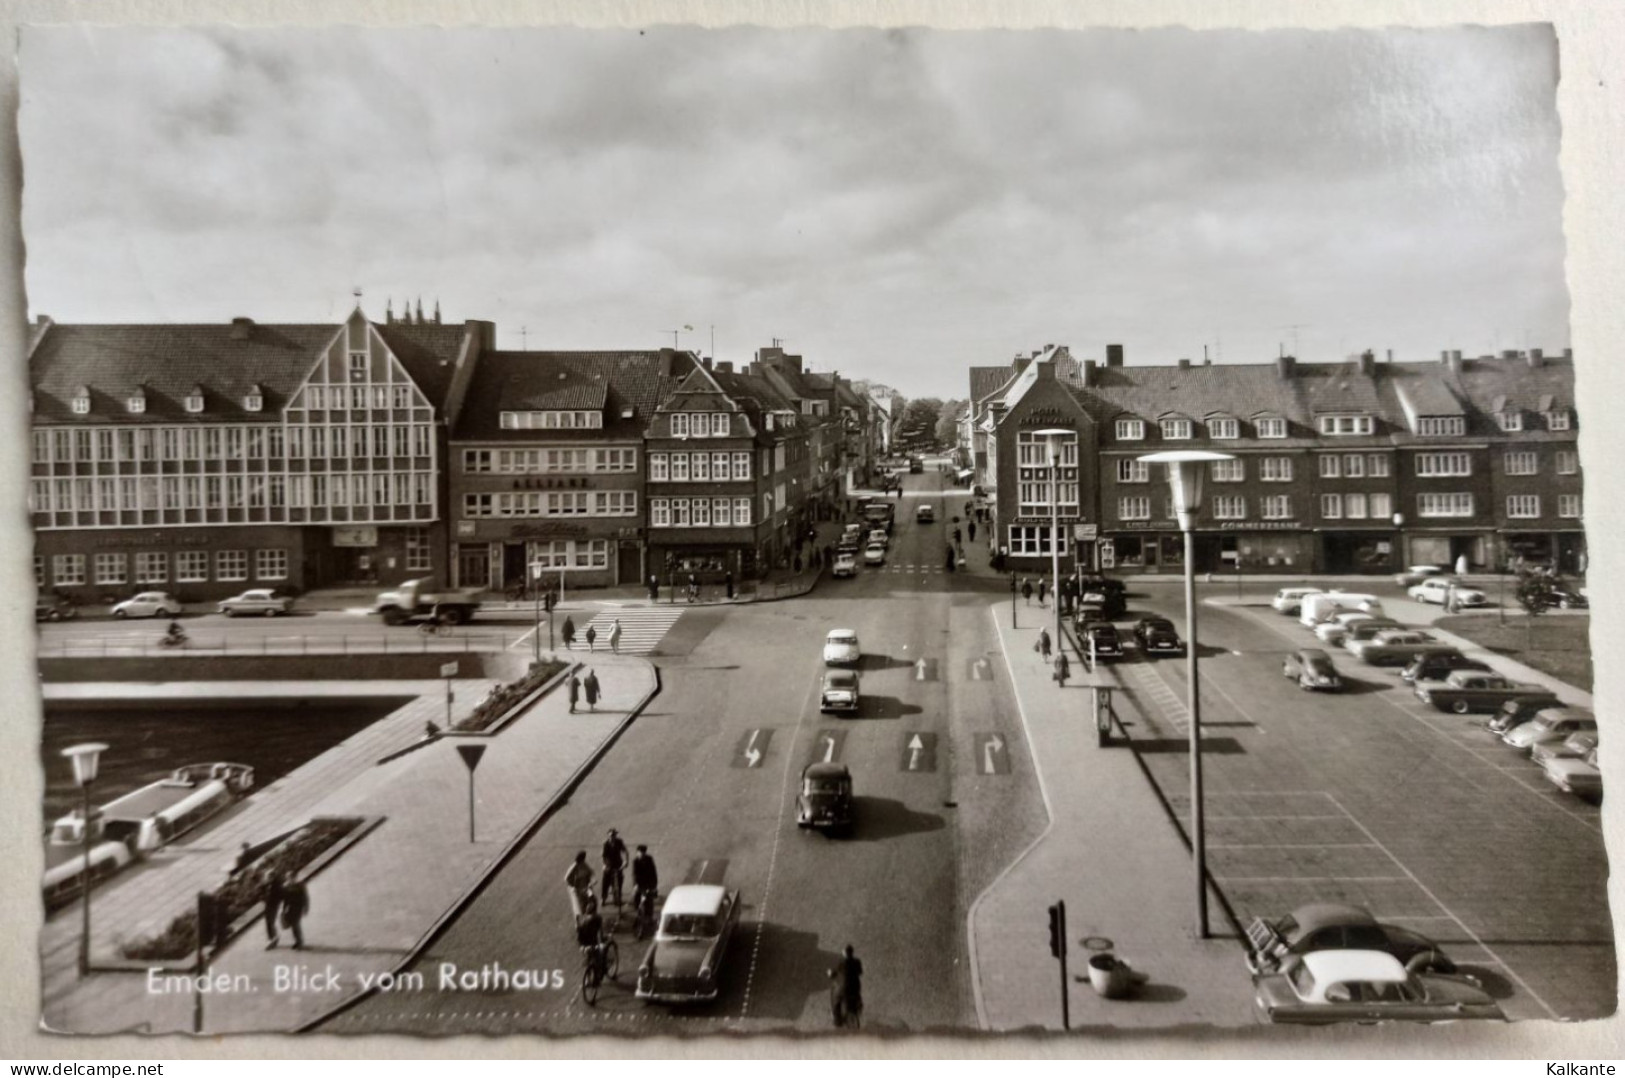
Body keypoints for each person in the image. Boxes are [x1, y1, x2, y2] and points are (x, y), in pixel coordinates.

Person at [832, 944, 864, 1026]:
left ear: (845, 953)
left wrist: (830, 974)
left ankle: (837, 1021)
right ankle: (858, 1008)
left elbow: (835, 973)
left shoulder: (841, 962)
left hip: (844, 988)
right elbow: (860, 972)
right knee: (857, 995)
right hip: (855, 986)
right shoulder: (857, 961)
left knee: (836, 1001)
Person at [280, 873, 309, 950]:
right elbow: (285, 899)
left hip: (298, 908)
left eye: (291, 877)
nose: (290, 879)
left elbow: (305, 897)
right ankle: (297, 941)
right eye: (288, 878)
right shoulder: (286, 887)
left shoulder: (300, 885)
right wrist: (283, 909)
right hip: (290, 908)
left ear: (295, 877)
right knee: (293, 926)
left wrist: (306, 908)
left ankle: (299, 942)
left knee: (296, 925)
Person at [601, 829, 628, 905]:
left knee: (619, 881)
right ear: (608, 836)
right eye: (611, 835)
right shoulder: (606, 844)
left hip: (617, 863)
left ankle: (618, 898)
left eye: (614, 835)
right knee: (606, 881)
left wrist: (625, 861)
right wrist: (604, 865)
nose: (612, 837)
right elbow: (603, 856)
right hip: (609, 864)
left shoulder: (619, 842)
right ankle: (603, 897)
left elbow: (625, 851)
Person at [565, 851, 594, 917]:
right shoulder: (574, 867)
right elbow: (566, 878)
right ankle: (579, 922)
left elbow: (591, 872)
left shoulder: (584, 864)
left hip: (586, 887)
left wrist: (592, 881)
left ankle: (590, 915)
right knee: (579, 907)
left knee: (592, 899)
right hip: (577, 889)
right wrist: (573, 886)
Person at [631, 844, 659, 909]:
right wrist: (636, 884)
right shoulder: (635, 861)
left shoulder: (649, 859)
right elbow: (635, 874)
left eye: (643, 852)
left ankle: (649, 912)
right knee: (636, 895)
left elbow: (653, 871)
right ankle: (636, 907)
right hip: (639, 882)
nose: (642, 854)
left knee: (650, 898)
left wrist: (654, 884)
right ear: (637, 853)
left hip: (648, 882)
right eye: (640, 852)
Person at [263, 872, 285, 949]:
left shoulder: (277, 886)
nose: (267, 878)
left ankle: (272, 939)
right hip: (268, 906)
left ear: (272, 877)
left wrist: (279, 905)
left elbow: (281, 896)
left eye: (268, 877)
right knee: (269, 922)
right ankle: (273, 938)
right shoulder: (268, 885)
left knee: (270, 923)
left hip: (273, 906)